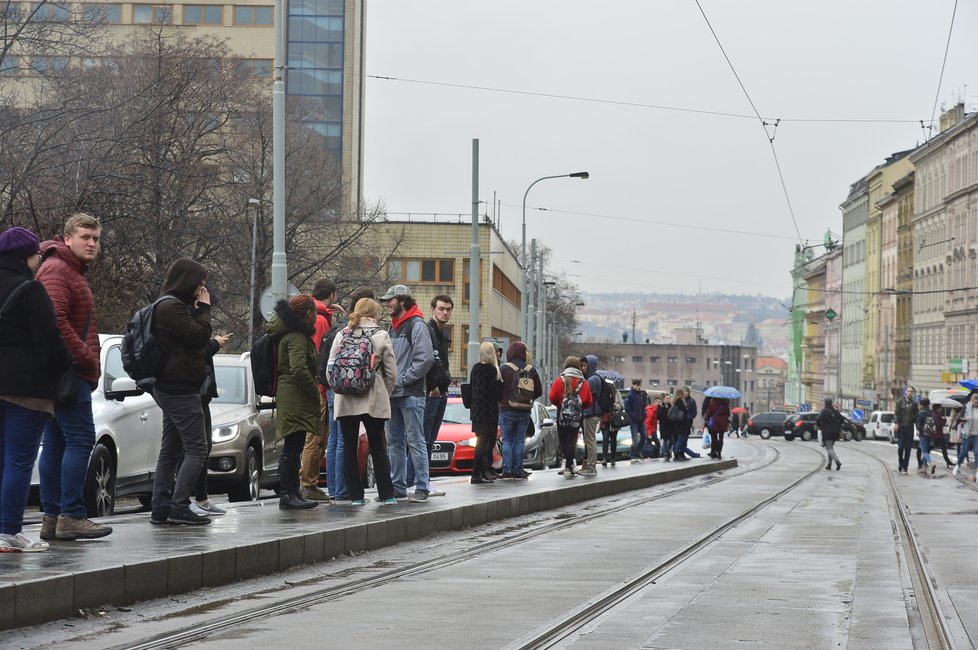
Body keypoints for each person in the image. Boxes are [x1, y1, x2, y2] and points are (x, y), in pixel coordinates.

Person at [36, 213, 113, 541]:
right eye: (85, 237)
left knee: (56, 443)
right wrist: (85, 355)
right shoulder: (58, 269)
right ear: (67, 238)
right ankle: (71, 515)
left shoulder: (68, 270)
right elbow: (54, 319)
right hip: (69, 371)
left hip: (62, 372)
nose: (92, 243)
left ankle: (52, 518)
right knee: (80, 440)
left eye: (96, 238)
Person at [0, 227, 72, 552]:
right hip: (26, 391)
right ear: (28, 256)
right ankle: (9, 532)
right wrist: (62, 370)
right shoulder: (31, 290)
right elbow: (51, 344)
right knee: (18, 461)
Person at [149, 258, 217, 524]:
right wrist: (204, 309)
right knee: (198, 448)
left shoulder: (170, 305)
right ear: (187, 281)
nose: (202, 289)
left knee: (171, 449)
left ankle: (161, 507)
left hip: (172, 385)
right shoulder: (171, 307)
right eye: (199, 283)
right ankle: (178, 505)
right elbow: (200, 337)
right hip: (179, 387)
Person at [327, 298, 397, 505]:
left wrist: (340, 388)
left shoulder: (342, 334)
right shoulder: (381, 335)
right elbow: (391, 373)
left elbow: (330, 368)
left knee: (349, 445)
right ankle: (387, 495)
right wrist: (386, 392)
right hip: (373, 398)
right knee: (377, 446)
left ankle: (356, 496)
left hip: (346, 398)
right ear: (374, 314)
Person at [266, 295, 320, 510]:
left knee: (295, 445)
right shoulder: (297, 336)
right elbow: (299, 369)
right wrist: (314, 391)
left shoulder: (293, 333)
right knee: (293, 445)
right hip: (294, 394)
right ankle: (287, 494)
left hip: (291, 393)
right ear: (308, 313)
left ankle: (293, 491)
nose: (316, 315)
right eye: (314, 311)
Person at [380, 284, 434, 502]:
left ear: (402, 301)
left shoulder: (416, 325)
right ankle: (398, 487)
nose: (386, 304)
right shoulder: (394, 327)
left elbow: (425, 359)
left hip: (410, 393)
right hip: (394, 393)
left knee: (415, 441)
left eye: (389, 300)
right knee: (395, 442)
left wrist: (401, 380)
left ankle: (422, 487)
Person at [299, 277, 343, 502]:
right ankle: (308, 484)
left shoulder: (314, 314)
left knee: (314, 435)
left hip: (310, 383)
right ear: (332, 295)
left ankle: (308, 482)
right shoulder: (320, 319)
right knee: (315, 436)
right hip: (319, 385)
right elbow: (321, 353)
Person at [409, 294, 453, 496]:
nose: (445, 312)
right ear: (433, 309)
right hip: (432, 392)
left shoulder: (442, 333)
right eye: (441, 309)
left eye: (448, 309)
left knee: (429, 439)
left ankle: (423, 480)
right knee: (423, 439)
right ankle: (416, 481)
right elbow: (427, 360)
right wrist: (433, 386)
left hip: (441, 391)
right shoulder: (428, 330)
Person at [189, 329, 230, 517]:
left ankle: (201, 499)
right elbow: (194, 351)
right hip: (190, 393)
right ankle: (182, 500)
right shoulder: (183, 315)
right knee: (193, 448)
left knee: (204, 446)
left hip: (200, 394)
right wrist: (214, 344)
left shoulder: (193, 317)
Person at [499, 341, 542, 479]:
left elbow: (496, 389)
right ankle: (518, 470)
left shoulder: (504, 369)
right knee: (519, 441)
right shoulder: (531, 370)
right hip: (524, 411)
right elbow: (538, 390)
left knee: (507, 441)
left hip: (506, 409)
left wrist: (503, 399)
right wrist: (527, 399)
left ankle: (507, 470)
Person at [548, 356, 592, 478]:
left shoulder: (559, 380)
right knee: (572, 439)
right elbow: (589, 401)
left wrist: (560, 405)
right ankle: (569, 466)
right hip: (577, 415)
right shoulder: (583, 382)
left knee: (563, 440)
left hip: (561, 413)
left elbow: (552, 397)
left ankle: (568, 465)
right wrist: (579, 407)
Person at [469, 342, 504, 484]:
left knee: (480, 443)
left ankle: (481, 472)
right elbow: (497, 393)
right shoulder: (492, 370)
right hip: (489, 412)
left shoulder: (475, 368)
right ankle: (477, 473)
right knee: (485, 445)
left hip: (477, 412)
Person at [579, 355, 605, 476]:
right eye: (582, 366)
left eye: (584, 366)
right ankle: (589, 466)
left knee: (590, 440)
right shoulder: (595, 378)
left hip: (591, 413)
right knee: (589, 440)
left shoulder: (592, 380)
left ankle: (591, 467)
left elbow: (584, 395)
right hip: (592, 413)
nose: (583, 368)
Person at [894, 386, 919, 474]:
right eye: (908, 391)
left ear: (913, 393)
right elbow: (896, 413)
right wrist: (896, 423)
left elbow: (916, 417)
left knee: (908, 449)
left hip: (910, 428)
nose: (909, 393)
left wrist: (918, 429)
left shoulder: (915, 404)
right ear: (906, 392)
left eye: (911, 392)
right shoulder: (900, 402)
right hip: (901, 428)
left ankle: (905, 466)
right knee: (901, 448)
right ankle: (900, 463)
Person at [953, 393, 978, 478]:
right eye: (975, 400)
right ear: (972, 400)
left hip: (976, 434)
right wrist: (965, 418)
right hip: (966, 433)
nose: (977, 402)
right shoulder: (966, 407)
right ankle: (958, 465)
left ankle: (977, 472)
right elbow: (959, 419)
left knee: (977, 452)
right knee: (964, 451)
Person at [624, 380, 649, 463]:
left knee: (644, 437)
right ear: (633, 385)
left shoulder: (641, 395)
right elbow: (627, 408)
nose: (639, 387)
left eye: (640, 385)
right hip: (634, 421)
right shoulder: (630, 395)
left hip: (641, 420)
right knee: (634, 439)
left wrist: (644, 414)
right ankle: (632, 454)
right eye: (638, 385)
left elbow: (644, 406)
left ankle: (637, 452)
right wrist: (633, 416)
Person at [816, 397, 843, 471]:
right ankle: (829, 464)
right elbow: (842, 419)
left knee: (829, 448)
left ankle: (837, 461)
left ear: (825, 403)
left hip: (827, 432)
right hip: (835, 432)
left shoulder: (824, 411)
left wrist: (819, 425)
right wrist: (837, 425)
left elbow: (818, 419)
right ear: (831, 403)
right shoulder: (835, 411)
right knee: (830, 448)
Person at [601, 381, 624, 466]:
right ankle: (604, 458)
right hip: (605, 419)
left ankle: (613, 458)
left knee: (613, 440)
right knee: (605, 438)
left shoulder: (617, 393)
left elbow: (622, 406)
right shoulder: (603, 393)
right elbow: (601, 405)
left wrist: (615, 405)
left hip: (614, 419)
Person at [917, 398, 937, 475]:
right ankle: (924, 467)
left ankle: (931, 463)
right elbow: (936, 424)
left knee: (924, 451)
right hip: (930, 434)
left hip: (923, 434)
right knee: (927, 450)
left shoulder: (920, 413)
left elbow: (919, 424)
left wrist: (918, 430)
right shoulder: (931, 413)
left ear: (921, 405)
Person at [669, 389, 690, 460]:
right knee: (681, 439)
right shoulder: (679, 401)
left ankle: (679, 454)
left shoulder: (675, 401)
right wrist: (686, 408)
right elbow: (683, 410)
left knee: (680, 439)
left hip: (678, 423)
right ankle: (676, 454)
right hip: (681, 424)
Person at [658, 393, 675, 461]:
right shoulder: (660, 406)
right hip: (664, 426)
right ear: (664, 399)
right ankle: (665, 453)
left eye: (669, 398)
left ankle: (668, 450)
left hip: (671, 426)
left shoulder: (671, 406)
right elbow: (658, 416)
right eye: (667, 398)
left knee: (672, 440)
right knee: (665, 440)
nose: (668, 400)